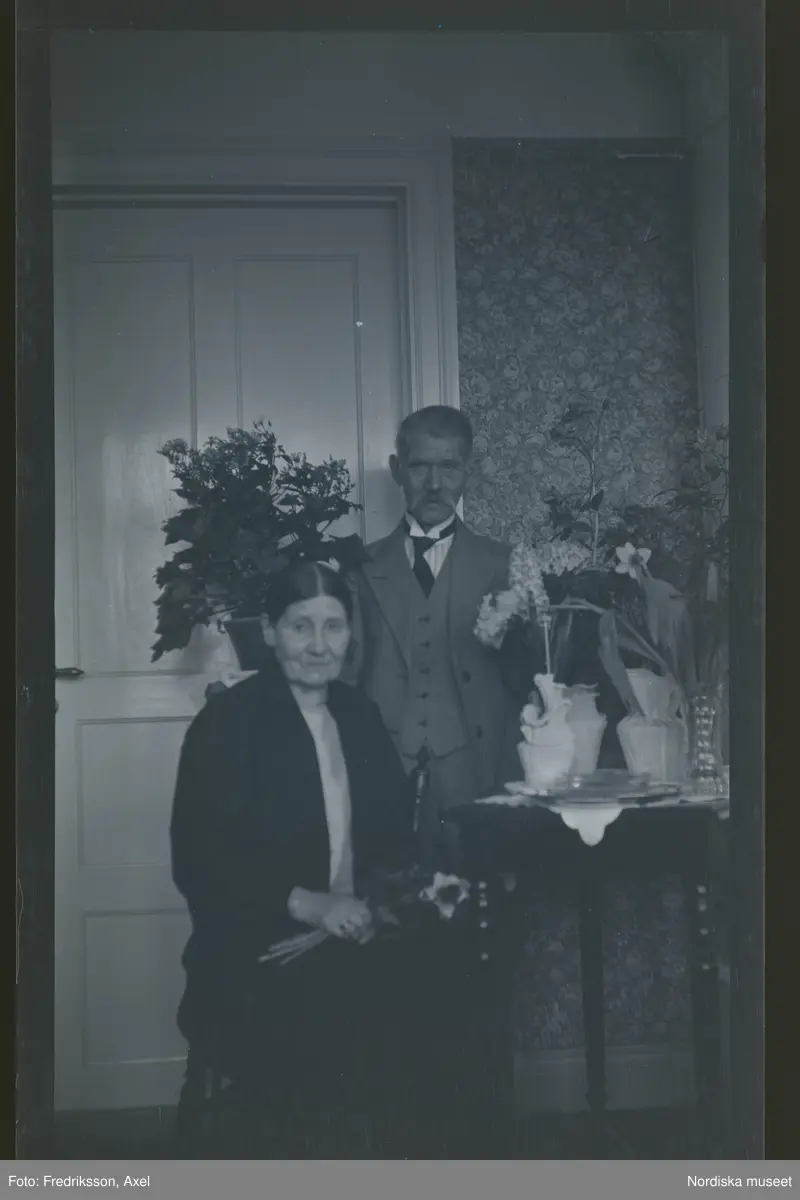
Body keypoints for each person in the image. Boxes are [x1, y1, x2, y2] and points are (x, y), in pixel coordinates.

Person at [170, 560, 419, 1156]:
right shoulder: (226, 724)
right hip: (257, 944)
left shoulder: (359, 715)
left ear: (350, 634)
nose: (318, 645)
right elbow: (199, 860)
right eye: (300, 626)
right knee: (307, 1046)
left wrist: (371, 907)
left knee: (427, 1011)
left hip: (354, 934)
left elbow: (394, 838)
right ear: (269, 631)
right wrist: (311, 906)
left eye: (333, 627)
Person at [346, 405, 540, 871]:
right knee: (390, 894)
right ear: (397, 470)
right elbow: (347, 678)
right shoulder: (361, 567)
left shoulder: (505, 564)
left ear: (467, 473)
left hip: (476, 768)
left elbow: (531, 680)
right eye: (419, 466)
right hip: (385, 767)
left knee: (479, 895)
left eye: (449, 467)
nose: (434, 484)